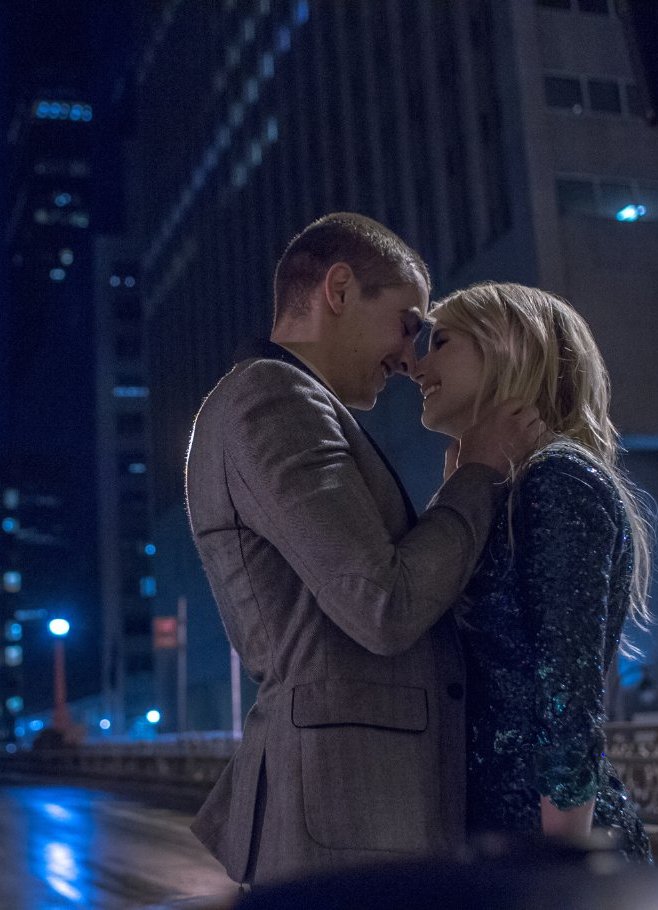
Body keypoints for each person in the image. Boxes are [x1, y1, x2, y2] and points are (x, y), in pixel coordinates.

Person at [185, 214, 542, 886]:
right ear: (340, 289)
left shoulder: (282, 400)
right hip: (348, 817)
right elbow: (382, 605)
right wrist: (480, 471)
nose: (410, 357)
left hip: (351, 812)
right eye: (406, 324)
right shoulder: (275, 398)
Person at [414, 281, 653, 861]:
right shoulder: (512, 485)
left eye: (441, 342)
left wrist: (560, 869)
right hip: (501, 839)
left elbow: (566, 695)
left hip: (540, 847)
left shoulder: (557, 479)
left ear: (507, 348)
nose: (417, 368)